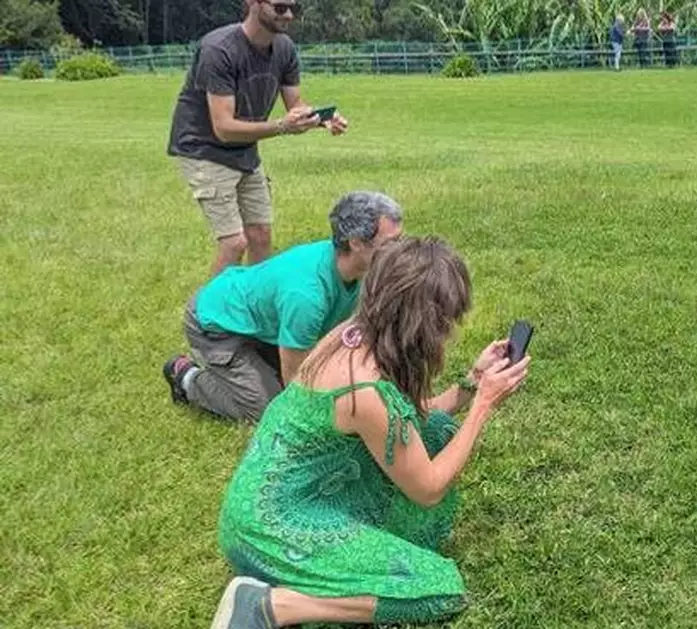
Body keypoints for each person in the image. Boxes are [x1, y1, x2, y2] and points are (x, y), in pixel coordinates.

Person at [208, 235, 532, 628]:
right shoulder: (364, 391)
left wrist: (469, 384)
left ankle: (326, 571)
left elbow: (405, 422)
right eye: (447, 322)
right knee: (436, 587)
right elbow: (427, 488)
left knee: (438, 431)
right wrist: (482, 406)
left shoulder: (355, 334)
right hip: (270, 529)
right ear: (424, 324)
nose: (450, 333)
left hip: (277, 502)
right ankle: (271, 605)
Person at [162, 191, 403, 423]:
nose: (400, 251)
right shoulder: (306, 294)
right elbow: (295, 379)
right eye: (392, 242)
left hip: (259, 325)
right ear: (357, 243)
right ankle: (187, 376)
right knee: (270, 409)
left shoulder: (357, 269)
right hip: (216, 324)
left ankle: (255, 362)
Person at [167, 0, 351, 278]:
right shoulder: (219, 49)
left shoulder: (284, 48)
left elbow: (296, 105)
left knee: (261, 235)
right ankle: (204, 315)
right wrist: (281, 126)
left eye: (293, 7)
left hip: (244, 151)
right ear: (253, 3)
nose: (288, 15)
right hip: (203, 149)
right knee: (234, 243)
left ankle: (253, 308)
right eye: (279, 7)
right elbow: (224, 127)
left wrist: (323, 118)